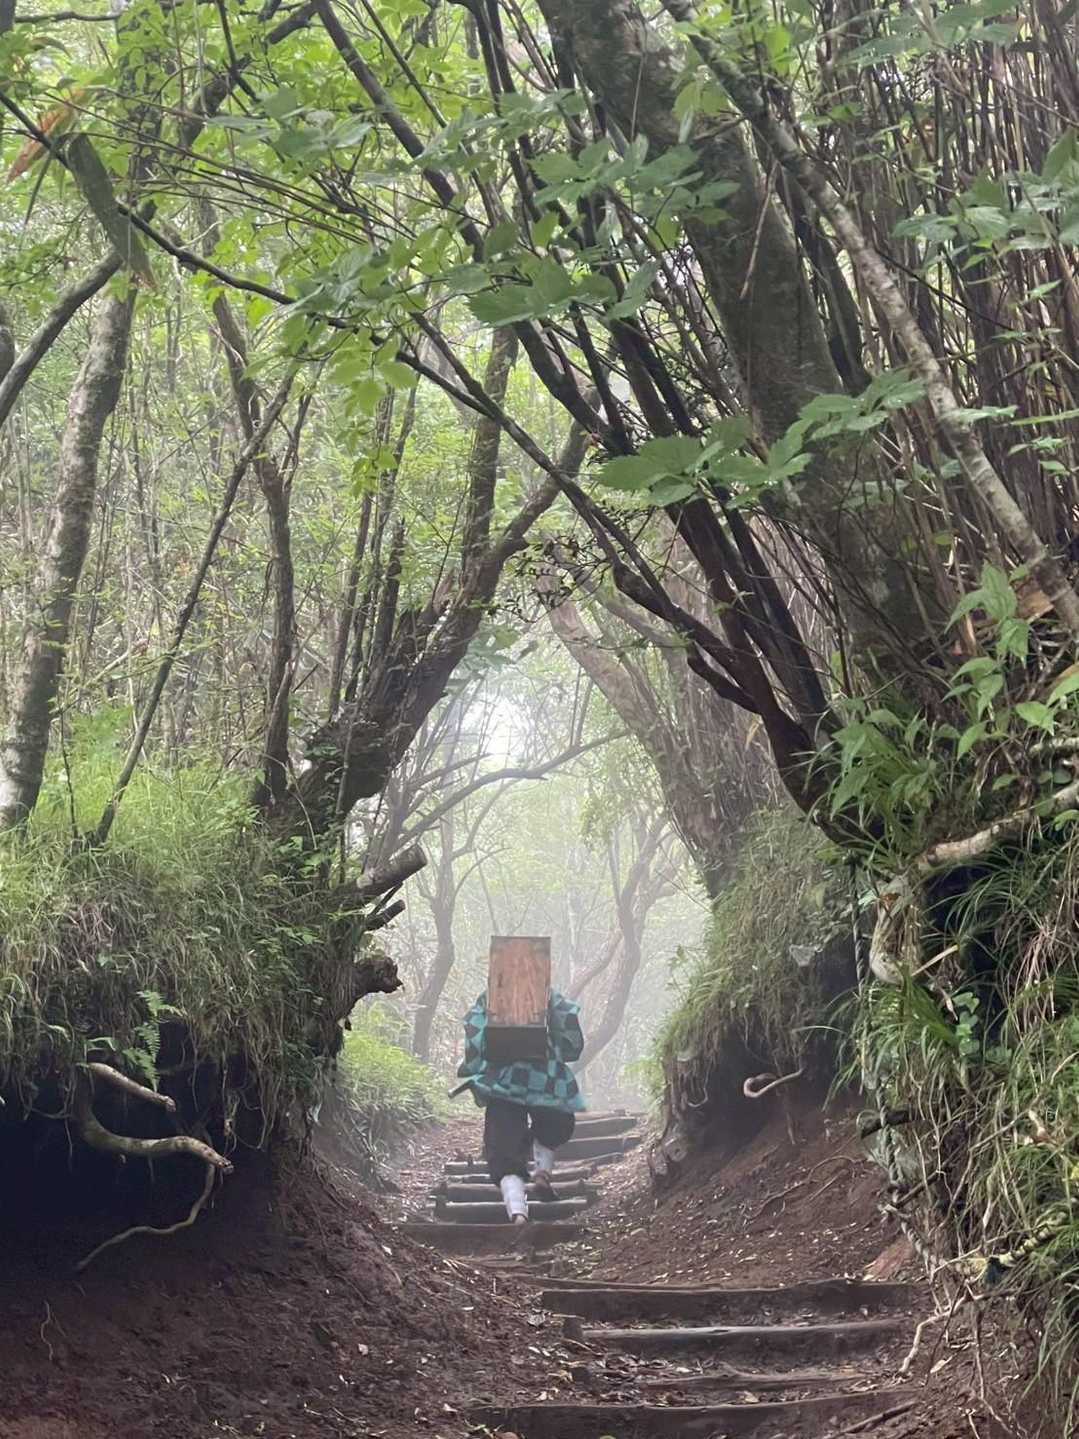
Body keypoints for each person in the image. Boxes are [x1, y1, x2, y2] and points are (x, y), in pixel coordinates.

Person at [454, 989, 585, 1224]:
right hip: (547, 1077)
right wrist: (556, 1052)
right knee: (553, 1127)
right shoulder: (548, 994)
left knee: (503, 1146)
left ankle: (517, 1212)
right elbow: (572, 1041)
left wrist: (475, 1068)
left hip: (502, 1079)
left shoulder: (489, 997)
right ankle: (542, 1172)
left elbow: (474, 1038)